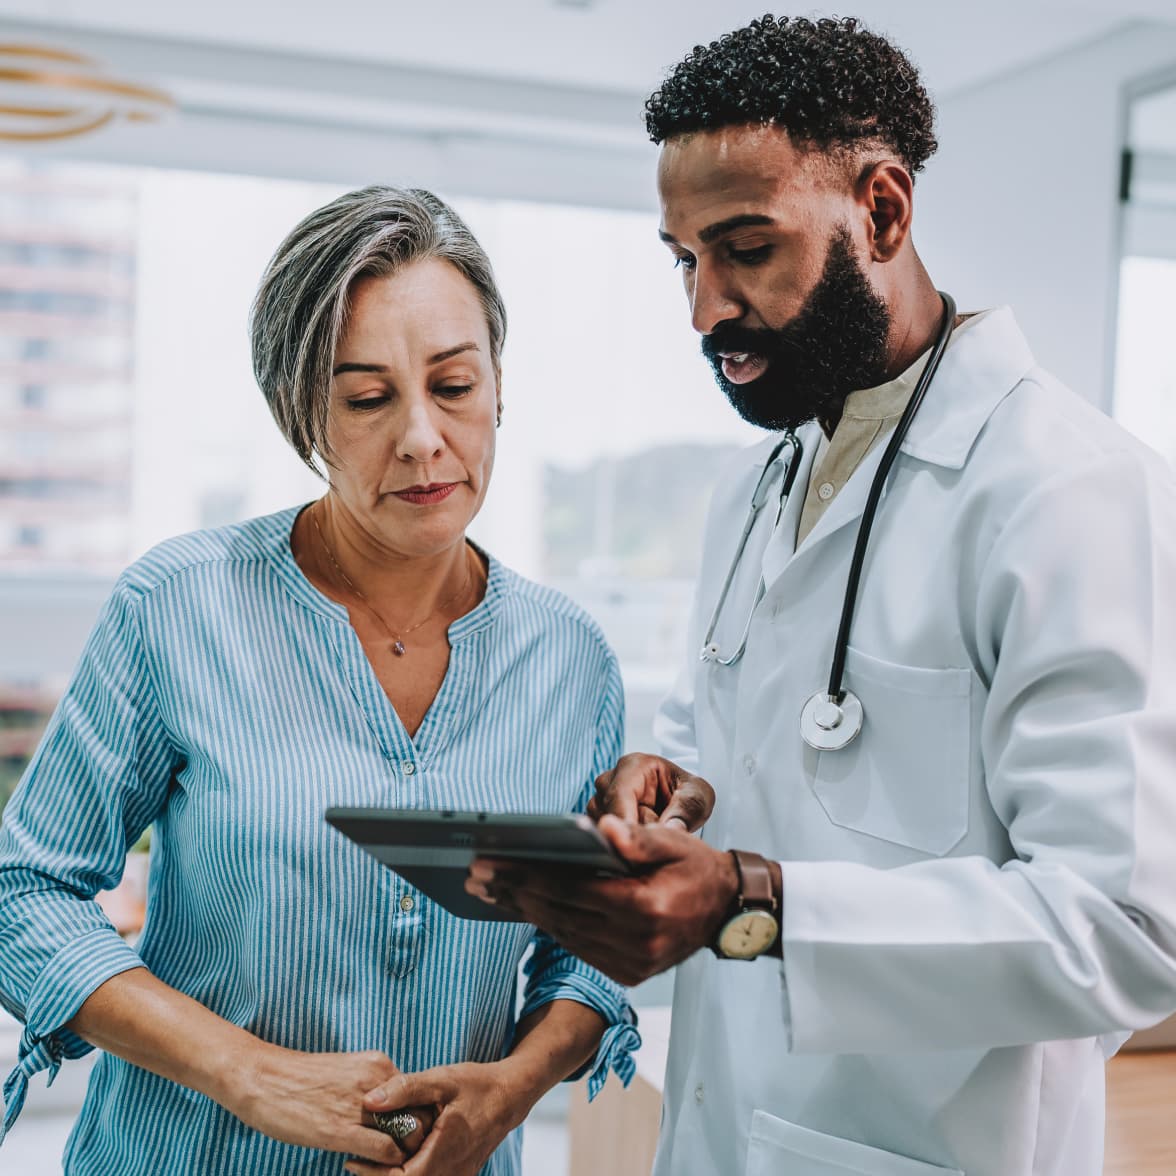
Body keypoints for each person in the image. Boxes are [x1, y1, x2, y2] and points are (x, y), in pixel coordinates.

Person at [448, 16, 1176, 1176]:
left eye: (745, 248)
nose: (703, 309)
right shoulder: (757, 486)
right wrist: (675, 792)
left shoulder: (1070, 492)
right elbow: (742, 754)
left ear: (882, 212)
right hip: (725, 1129)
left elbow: (1127, 934)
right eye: (684, 259)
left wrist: (756, 900)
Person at [0, 186, 637, 1176]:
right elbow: (24, 892)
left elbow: (587, 941)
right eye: (368, 397)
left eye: (456, 386)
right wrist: (244, 1071)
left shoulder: (572, 659)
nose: (424, 437)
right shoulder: (177, 608)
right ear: (302, 415)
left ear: (500, 385)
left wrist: (511, 1091)